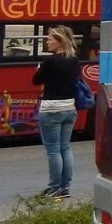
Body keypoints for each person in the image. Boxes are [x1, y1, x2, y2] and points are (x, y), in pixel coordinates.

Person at [32, 25, 81, 199]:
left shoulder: (50, 61)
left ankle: (54, 188)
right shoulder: (74, 60)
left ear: (60, 42)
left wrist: (39, 69)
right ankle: (64, 187)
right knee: (65, 148)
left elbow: (36, 80)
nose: (47, 42)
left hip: (51, 109)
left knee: (53, 151)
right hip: (69, 108)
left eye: (50, 39)